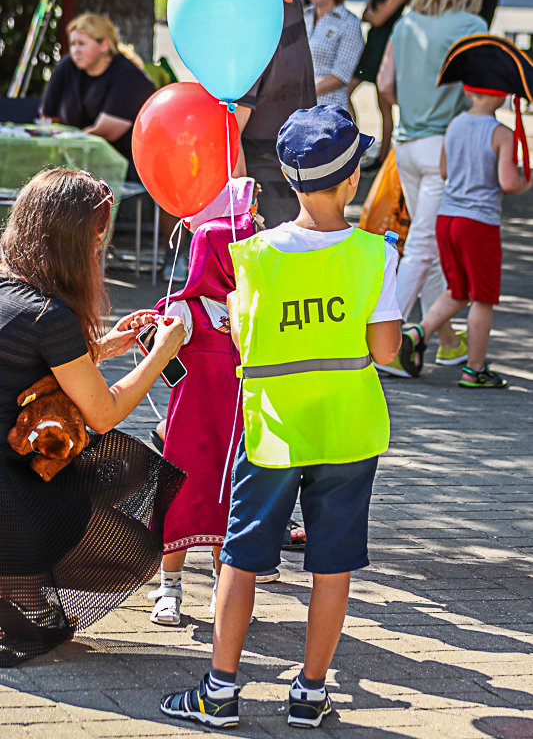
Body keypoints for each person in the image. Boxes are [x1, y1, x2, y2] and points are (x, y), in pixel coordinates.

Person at [159, 105, 402, 729]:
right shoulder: (377, 256)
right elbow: (385, 351)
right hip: (348, 431)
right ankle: (310, 692)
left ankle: (219, 691)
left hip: (270, 432)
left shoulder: (254, 256)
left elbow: (244, 340)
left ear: (290, 182)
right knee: (332, 563)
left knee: (241, 558)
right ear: (352, 182)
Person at [0, 168, 186, 666]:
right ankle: (17, 569)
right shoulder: (50, 316)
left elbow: (24, 370)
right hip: (9, 492)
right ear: (74, 244)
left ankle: (16, 575)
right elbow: (104, 414)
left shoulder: (8, 290)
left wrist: (102, 349)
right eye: (96, 244)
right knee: (123, 466)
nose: (98, 256)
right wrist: (160, 353)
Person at [147, 179, 264, 628]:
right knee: (181, 502)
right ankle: (169, 587)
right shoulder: (185, 310)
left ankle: (223, 584)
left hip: (234, 429)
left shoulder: (247, 308)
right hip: (191, 430)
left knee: (228, 502)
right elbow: (162, 357)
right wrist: (151, 337)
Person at [377, 0, 486, 376]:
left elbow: (384, 84)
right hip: (445, 147)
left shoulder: (407, 23)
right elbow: (475, 93)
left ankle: (445, 340)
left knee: (431, 245)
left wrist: (416, 104)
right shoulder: (472, 24)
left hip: (407, 142)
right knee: (423, 246)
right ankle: (387, 345)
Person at [399, 35, 533, 386]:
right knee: (483, 299)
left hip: (447, 219)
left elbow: (444, 171)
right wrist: (524, 181)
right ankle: (475, 369)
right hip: (478, 224)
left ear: (469, 91)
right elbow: (507, 182)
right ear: (501, 94)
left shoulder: (454, 124)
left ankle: (418, 333)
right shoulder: (501, 134)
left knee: (458, 291)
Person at [233, 0, 340, 229]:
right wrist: (245, 221)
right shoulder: (257, 11)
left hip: (293, 195)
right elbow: (228, 128)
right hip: (267, 210)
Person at [42, 13, 155, 181]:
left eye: (81, 44)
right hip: (74, 161)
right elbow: (48, 117)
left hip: (123, 167)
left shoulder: (129, 76)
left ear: (103, 45)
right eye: (72, 44)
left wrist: (67, 143)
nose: (75, 50)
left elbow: (105, 132)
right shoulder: (67, 67)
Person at [347, 0, 412, 169]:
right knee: (348, 91)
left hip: (385, 49)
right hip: (373, 45)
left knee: (383, 104)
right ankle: (353, 145)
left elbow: (376, 18)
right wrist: (374, 14)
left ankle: (383, 156)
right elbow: (367, 14)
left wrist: (374, 14)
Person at [304, 0, 364, 112]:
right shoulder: (302, 15)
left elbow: (340, 76)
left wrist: (301, 92)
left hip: (329, 113)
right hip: (296, 110)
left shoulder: (349, 23)